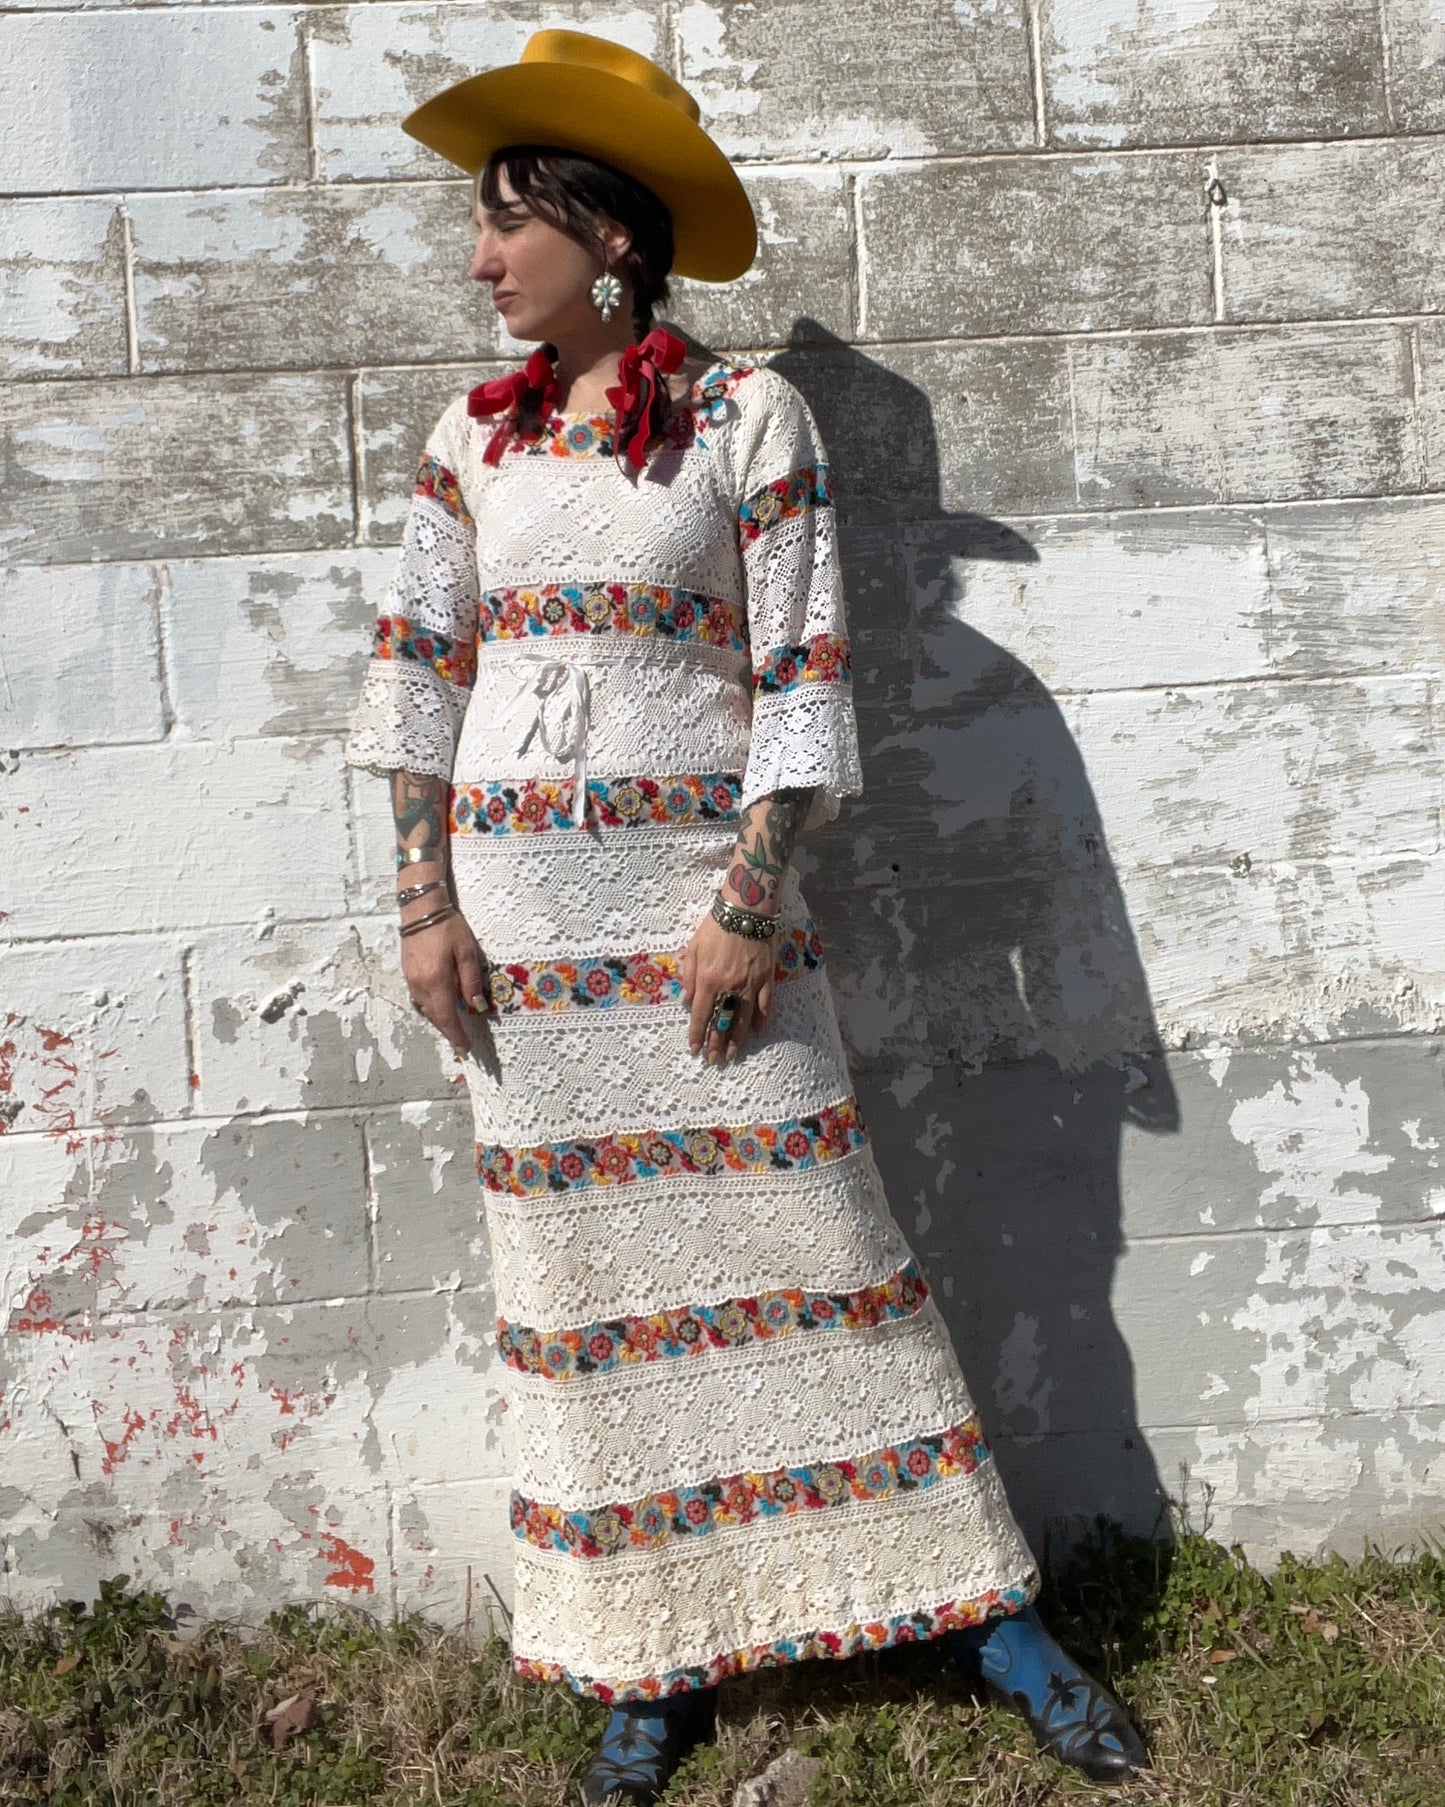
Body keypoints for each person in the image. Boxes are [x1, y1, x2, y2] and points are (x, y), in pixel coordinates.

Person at [344, 29, 1148, 1804]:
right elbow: (417, 683)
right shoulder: (462, 439)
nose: (480, 262)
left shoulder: (741, 420)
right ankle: (651, 1651)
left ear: (601, 234)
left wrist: (745, 898)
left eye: (505, 227)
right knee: (584, 1285)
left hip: (701, 923)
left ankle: (987, 1612)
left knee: (823, 1250)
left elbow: (797, 678)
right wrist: (422, 902)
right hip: (519, 946)